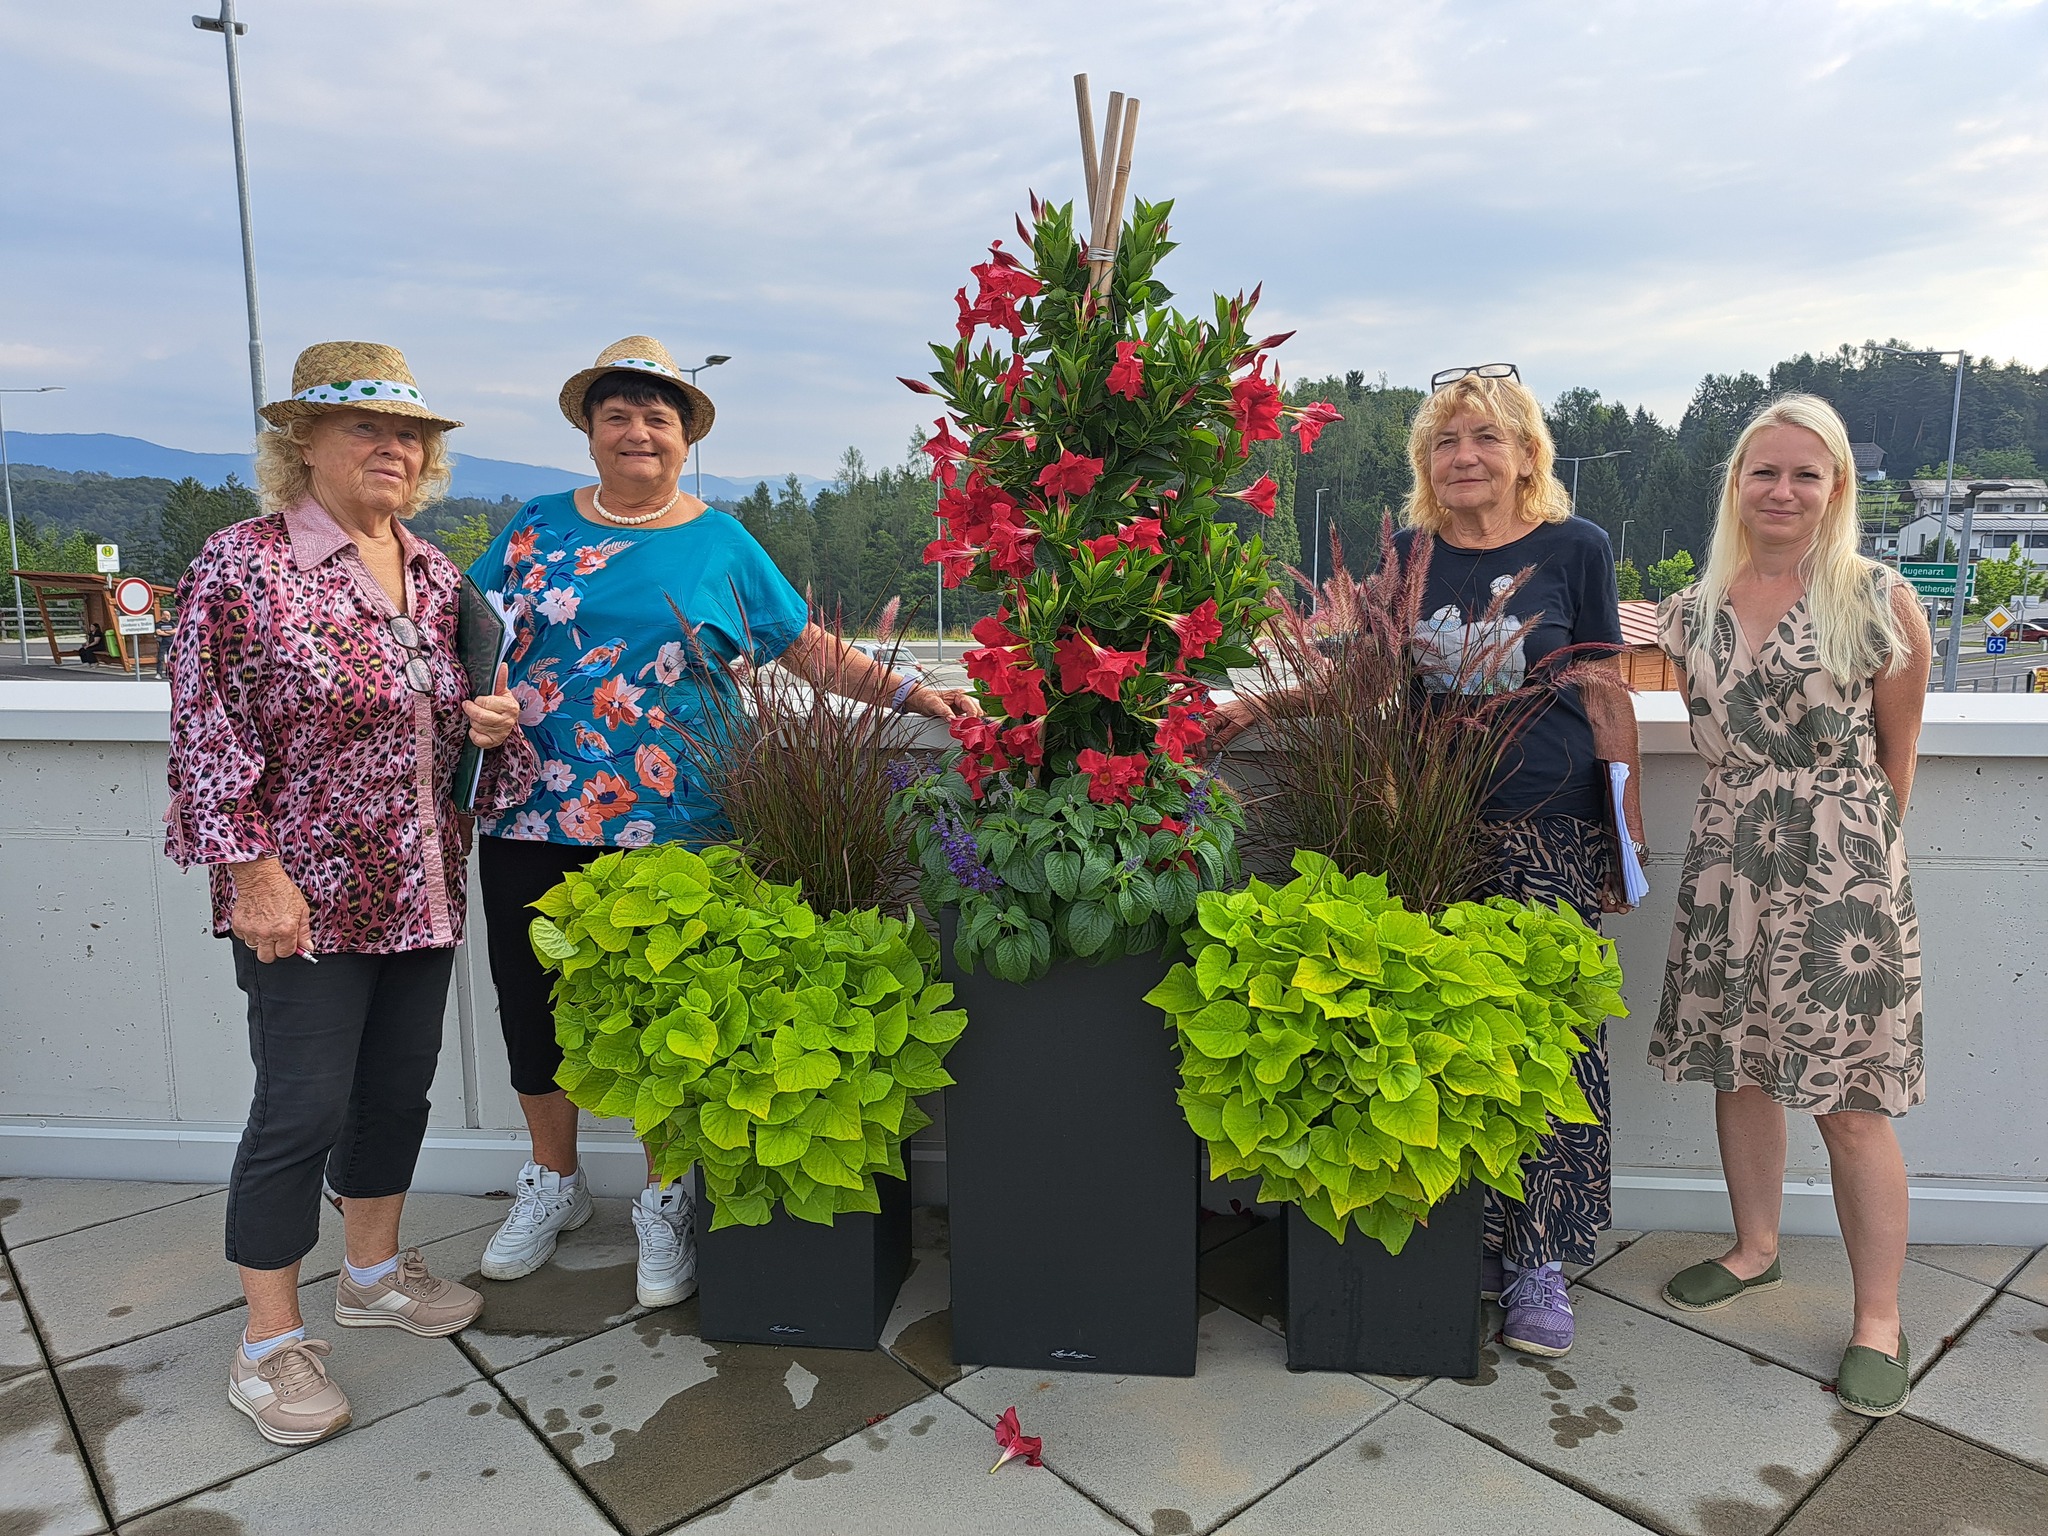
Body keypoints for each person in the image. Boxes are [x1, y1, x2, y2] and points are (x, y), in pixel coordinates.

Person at [470, 336, 978, 1307]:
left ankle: (666, 1198)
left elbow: (808, 650)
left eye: (657, 417)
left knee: (667, 1017)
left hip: (676, 821)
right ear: (589, 432)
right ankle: (553, 1184)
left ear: (685, 437)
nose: (637, 431)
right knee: (533, 1008)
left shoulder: (721, 543)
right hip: (531, 812)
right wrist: (464, 707)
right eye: (617, 415)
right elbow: (465, 631)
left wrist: (915, 695)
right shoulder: (533, 528)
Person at [1212, 364, 1641, 1356]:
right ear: (1424, 463)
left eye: (1486, 438)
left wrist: (1625, 830)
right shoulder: (1408, 556)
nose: (1464, 456)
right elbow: (1359, 678)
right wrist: (1259, 704)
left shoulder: (1575, 547)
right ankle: (1470, 1239)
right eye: (1446, 442)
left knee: (1551, 1044)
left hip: (1550, 827)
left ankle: (1538, 1258)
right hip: (1431, 837)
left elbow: (1604, 690)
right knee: (1450, 1043)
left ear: (1525, 455)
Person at [165, 341, 535, 1446]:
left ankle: (369, 1275)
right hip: (303, 898)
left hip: (420, 887)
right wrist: (251, 873)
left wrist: (489, 726)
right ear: (303, 445)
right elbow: (205, 730)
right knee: (299, 1108)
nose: (394, 448)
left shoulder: (435, 575)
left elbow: (455, 734)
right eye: (365, 427)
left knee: (394, 1094)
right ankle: (267, 1344)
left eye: (409, 433)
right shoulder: (244, 564)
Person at [1652, 393, 1930, 1418]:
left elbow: (1898, 760)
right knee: (1739, 1071)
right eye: (1762, 471)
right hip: (1728, 864)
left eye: (1804, 474)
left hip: (1841, 884)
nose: (1781, 490)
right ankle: (1754, 1248)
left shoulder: (1878, 601)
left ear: (1835, 487)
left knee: (1849, 1105)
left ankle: (1878, 1319)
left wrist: (1853, 877)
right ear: (1736, 483)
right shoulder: (1691, 611)